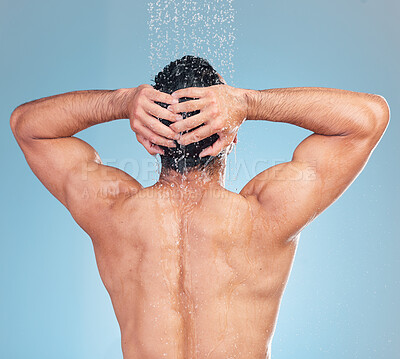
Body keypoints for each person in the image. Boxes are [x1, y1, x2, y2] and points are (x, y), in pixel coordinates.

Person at [10, 55, 390, 359]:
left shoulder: (112, 211)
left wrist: (121, 102)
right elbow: (368, 118)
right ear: (231, 133)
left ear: (149, 133)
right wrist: (247, 102)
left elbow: (27, 125)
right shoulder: (267, 215)